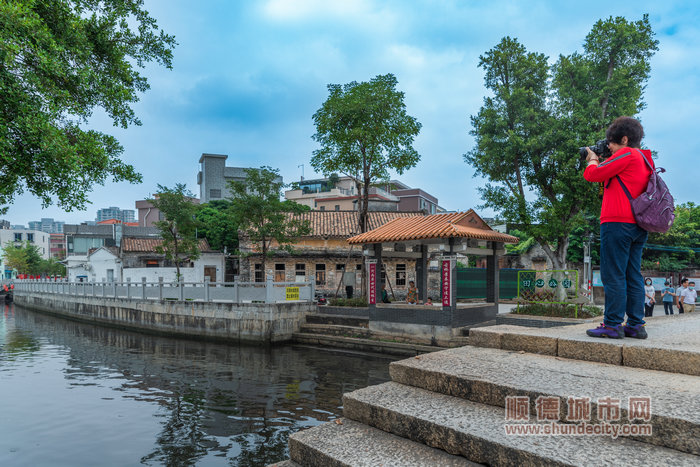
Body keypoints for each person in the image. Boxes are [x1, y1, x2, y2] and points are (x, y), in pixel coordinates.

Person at [583, 117, 653, 339]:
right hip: (638, 224)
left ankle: (612, 324)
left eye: (611, 142)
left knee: (613, 274)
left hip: (617, 222)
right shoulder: (643, 158)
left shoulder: (628, 154)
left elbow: (592, 175)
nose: (609, 147)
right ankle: (635, 325)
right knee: (632, 275)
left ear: (624, 139)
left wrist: (592, 159)